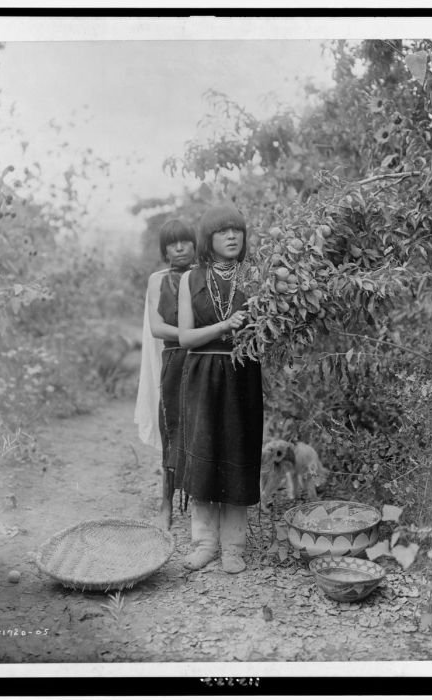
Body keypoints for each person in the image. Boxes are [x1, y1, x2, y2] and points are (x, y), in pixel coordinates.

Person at [177, 203, 263, 574]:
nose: (232, 236)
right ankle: (205, 543)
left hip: (242, 372)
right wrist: (224, 326)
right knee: (203, 453)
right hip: (201, 371)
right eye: (223, 231)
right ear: (207, 240)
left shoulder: (257, 275)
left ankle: (233, 547)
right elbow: (184, 338)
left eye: (237, 230)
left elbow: (268, 331)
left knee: (238, 453)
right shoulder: (190, 280)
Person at [138, 219, 197, 530]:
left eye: (184, 241)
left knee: (200, 428)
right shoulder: (158, 280)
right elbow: (158, 326)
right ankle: (166, 506)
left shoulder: (203, 275)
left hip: (205, 358)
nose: (178, 248)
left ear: (195, 244)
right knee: (172, 428)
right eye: (172, 243)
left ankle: (203, 507)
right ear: (164, 249)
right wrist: (192, 335)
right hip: (175, 358)